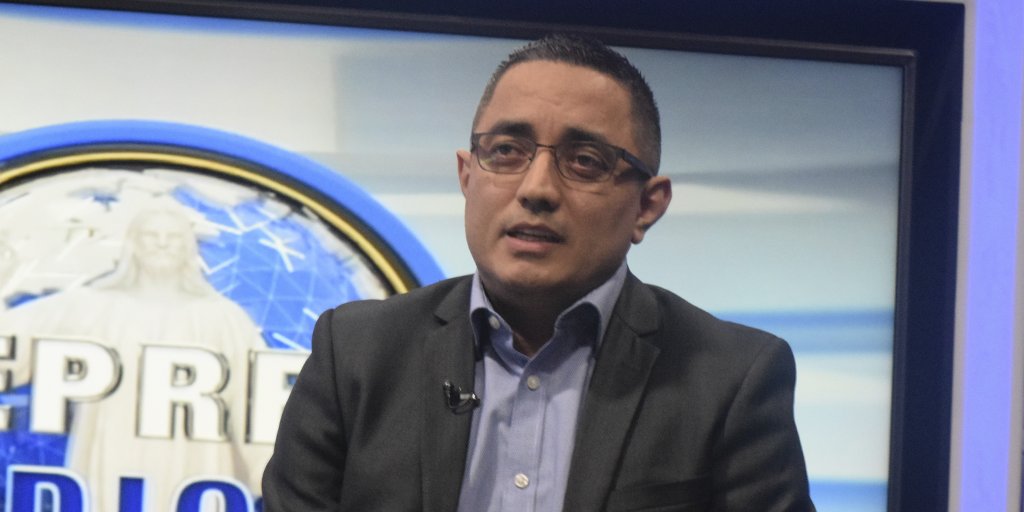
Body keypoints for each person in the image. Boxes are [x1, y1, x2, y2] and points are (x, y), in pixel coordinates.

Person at [262, 34, 815, 511]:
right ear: (466, 176)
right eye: (506, 151)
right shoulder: (355, 353)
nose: (537, 189)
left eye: (586, 161)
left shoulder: (731, 378)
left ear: (647, 206)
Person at [0, 207, 270, 511]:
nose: (162, 244)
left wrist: (274, 477)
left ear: (188, 248)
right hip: (112, 458)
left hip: (196, 467)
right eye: (151, 235)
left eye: (173, 237)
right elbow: (14, 338)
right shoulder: (92, 305)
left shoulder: (223, 318)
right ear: (133, 245)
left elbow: (255, 405)